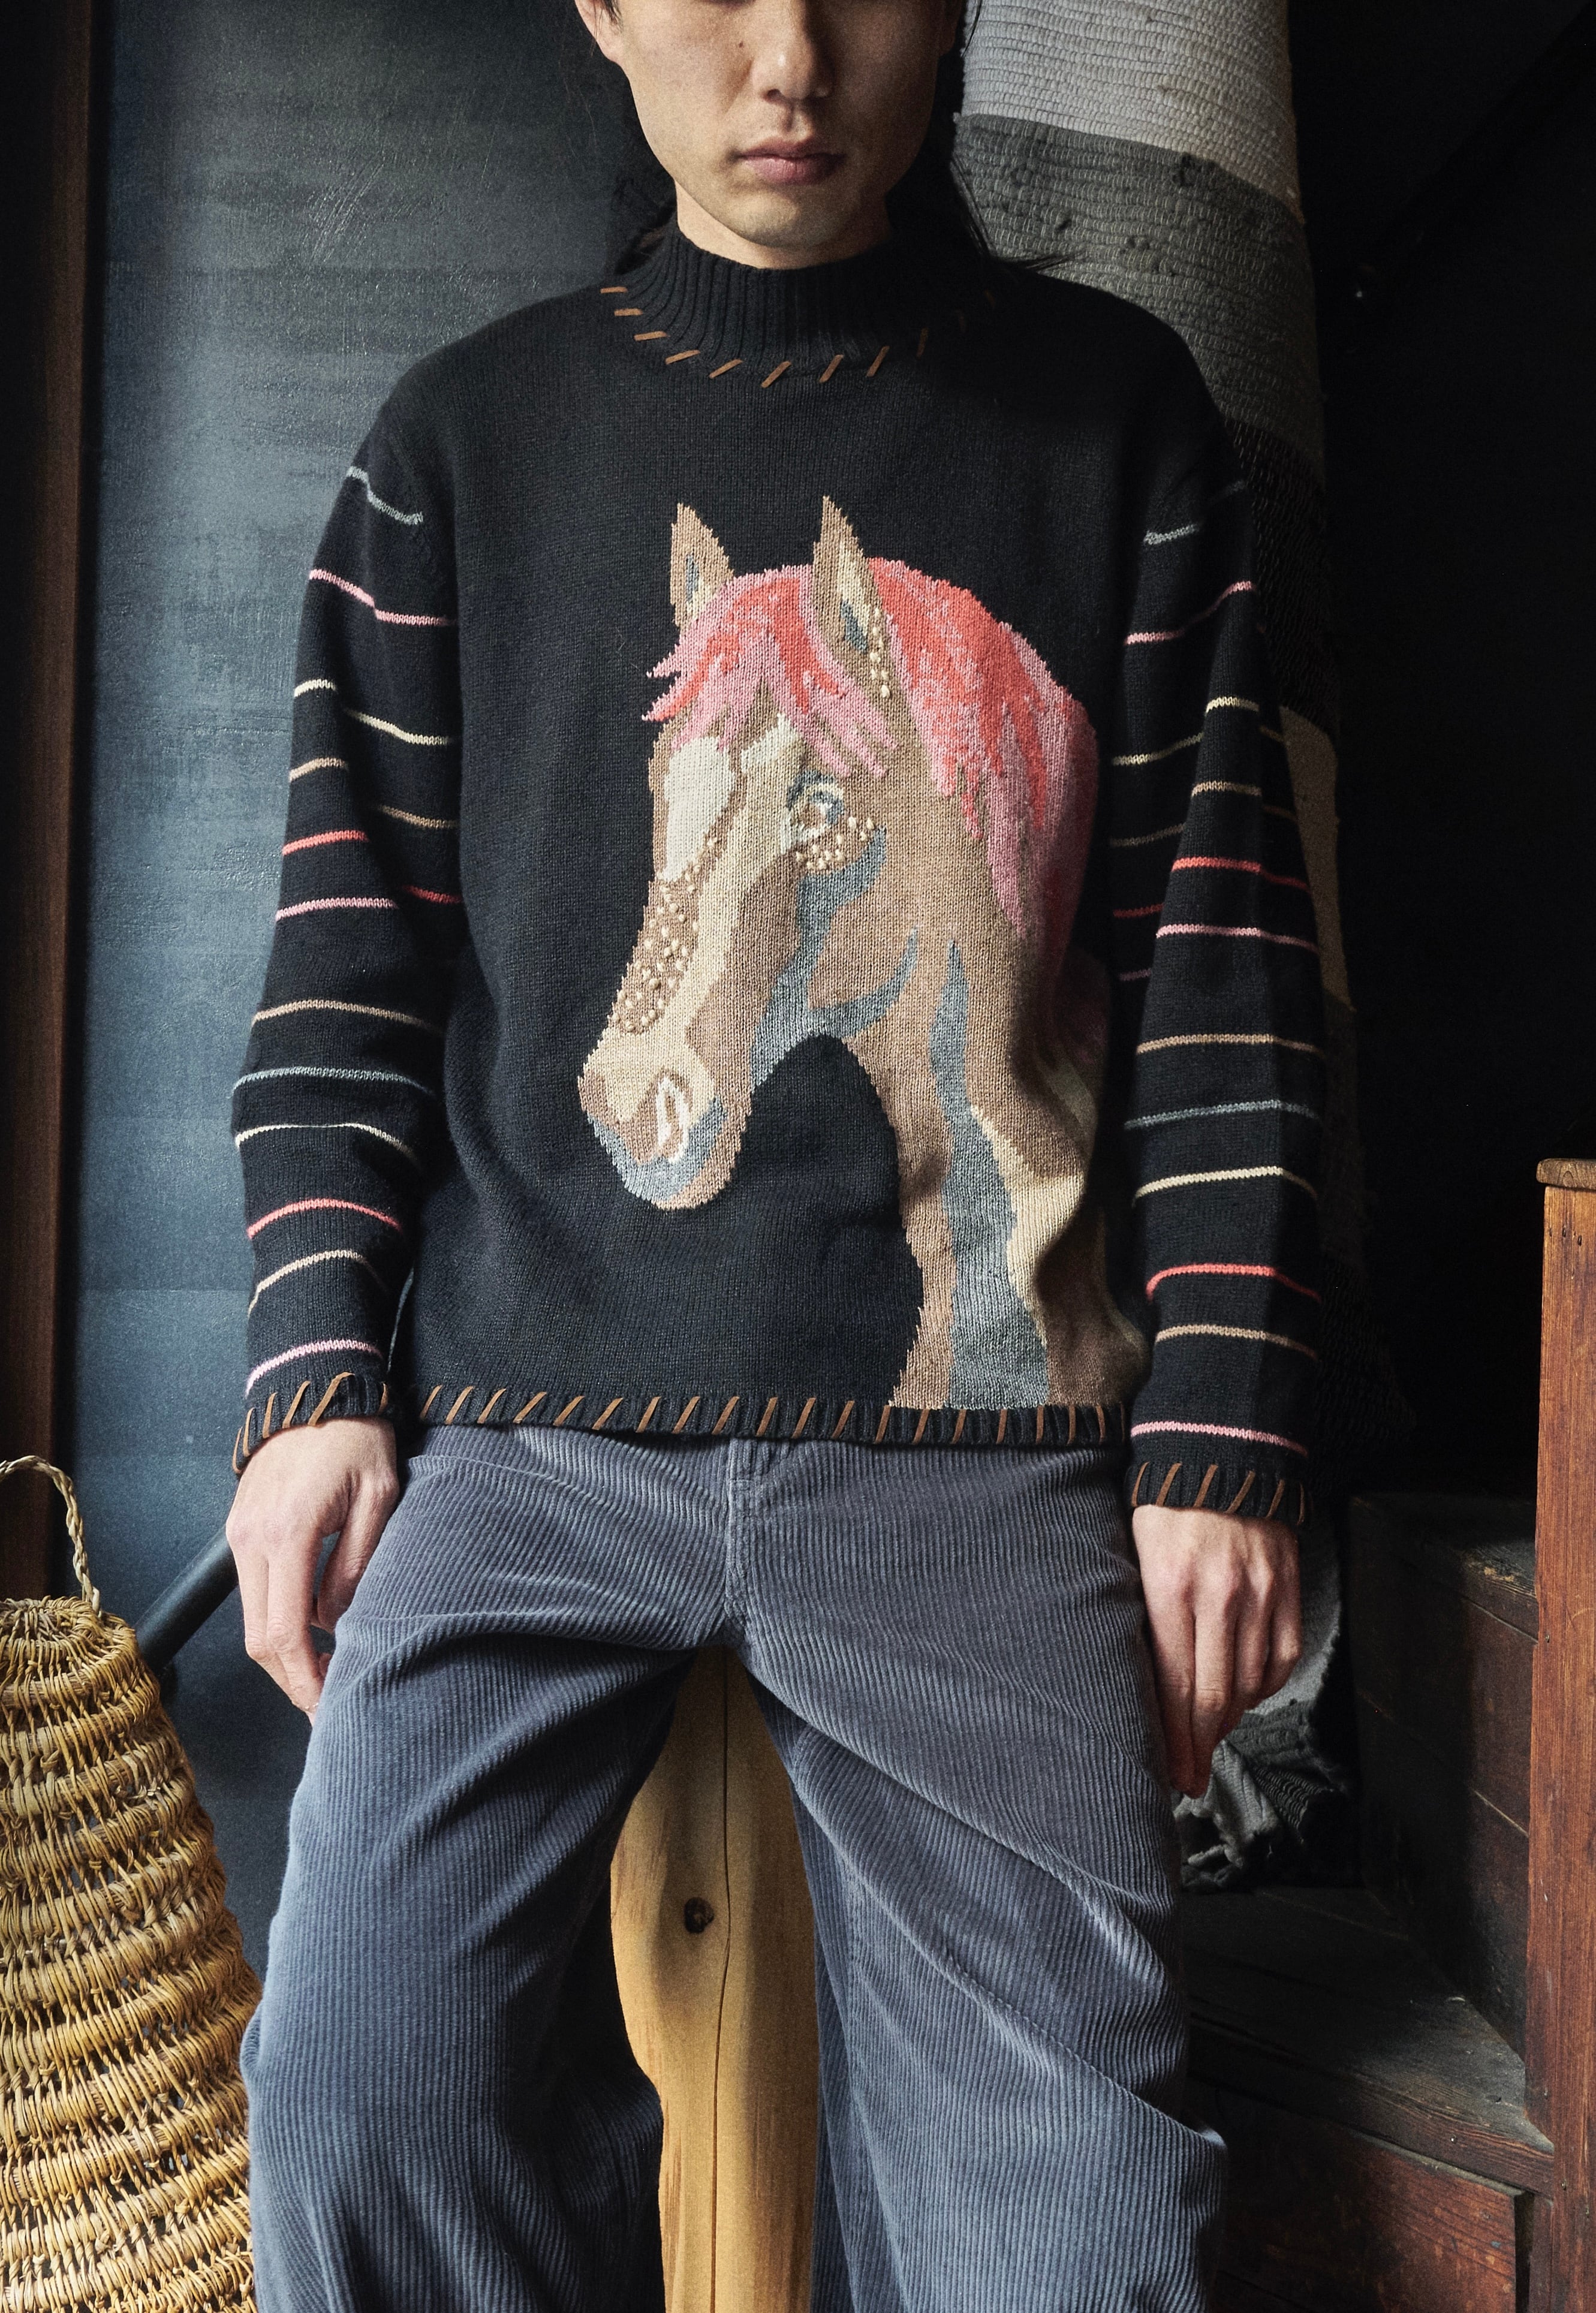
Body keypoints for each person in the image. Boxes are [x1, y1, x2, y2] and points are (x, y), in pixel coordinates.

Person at [227, 0, 1322, 2304]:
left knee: (1077, 2245)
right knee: (357, 2096)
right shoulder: (458, 448)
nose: (791, 59)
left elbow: (1219, 962)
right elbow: (346, 975)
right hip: (524, 1437)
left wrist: (1222, 1435)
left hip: (977, 1441)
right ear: (602, 10)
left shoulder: (1122, 426)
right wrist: (312, 1380)